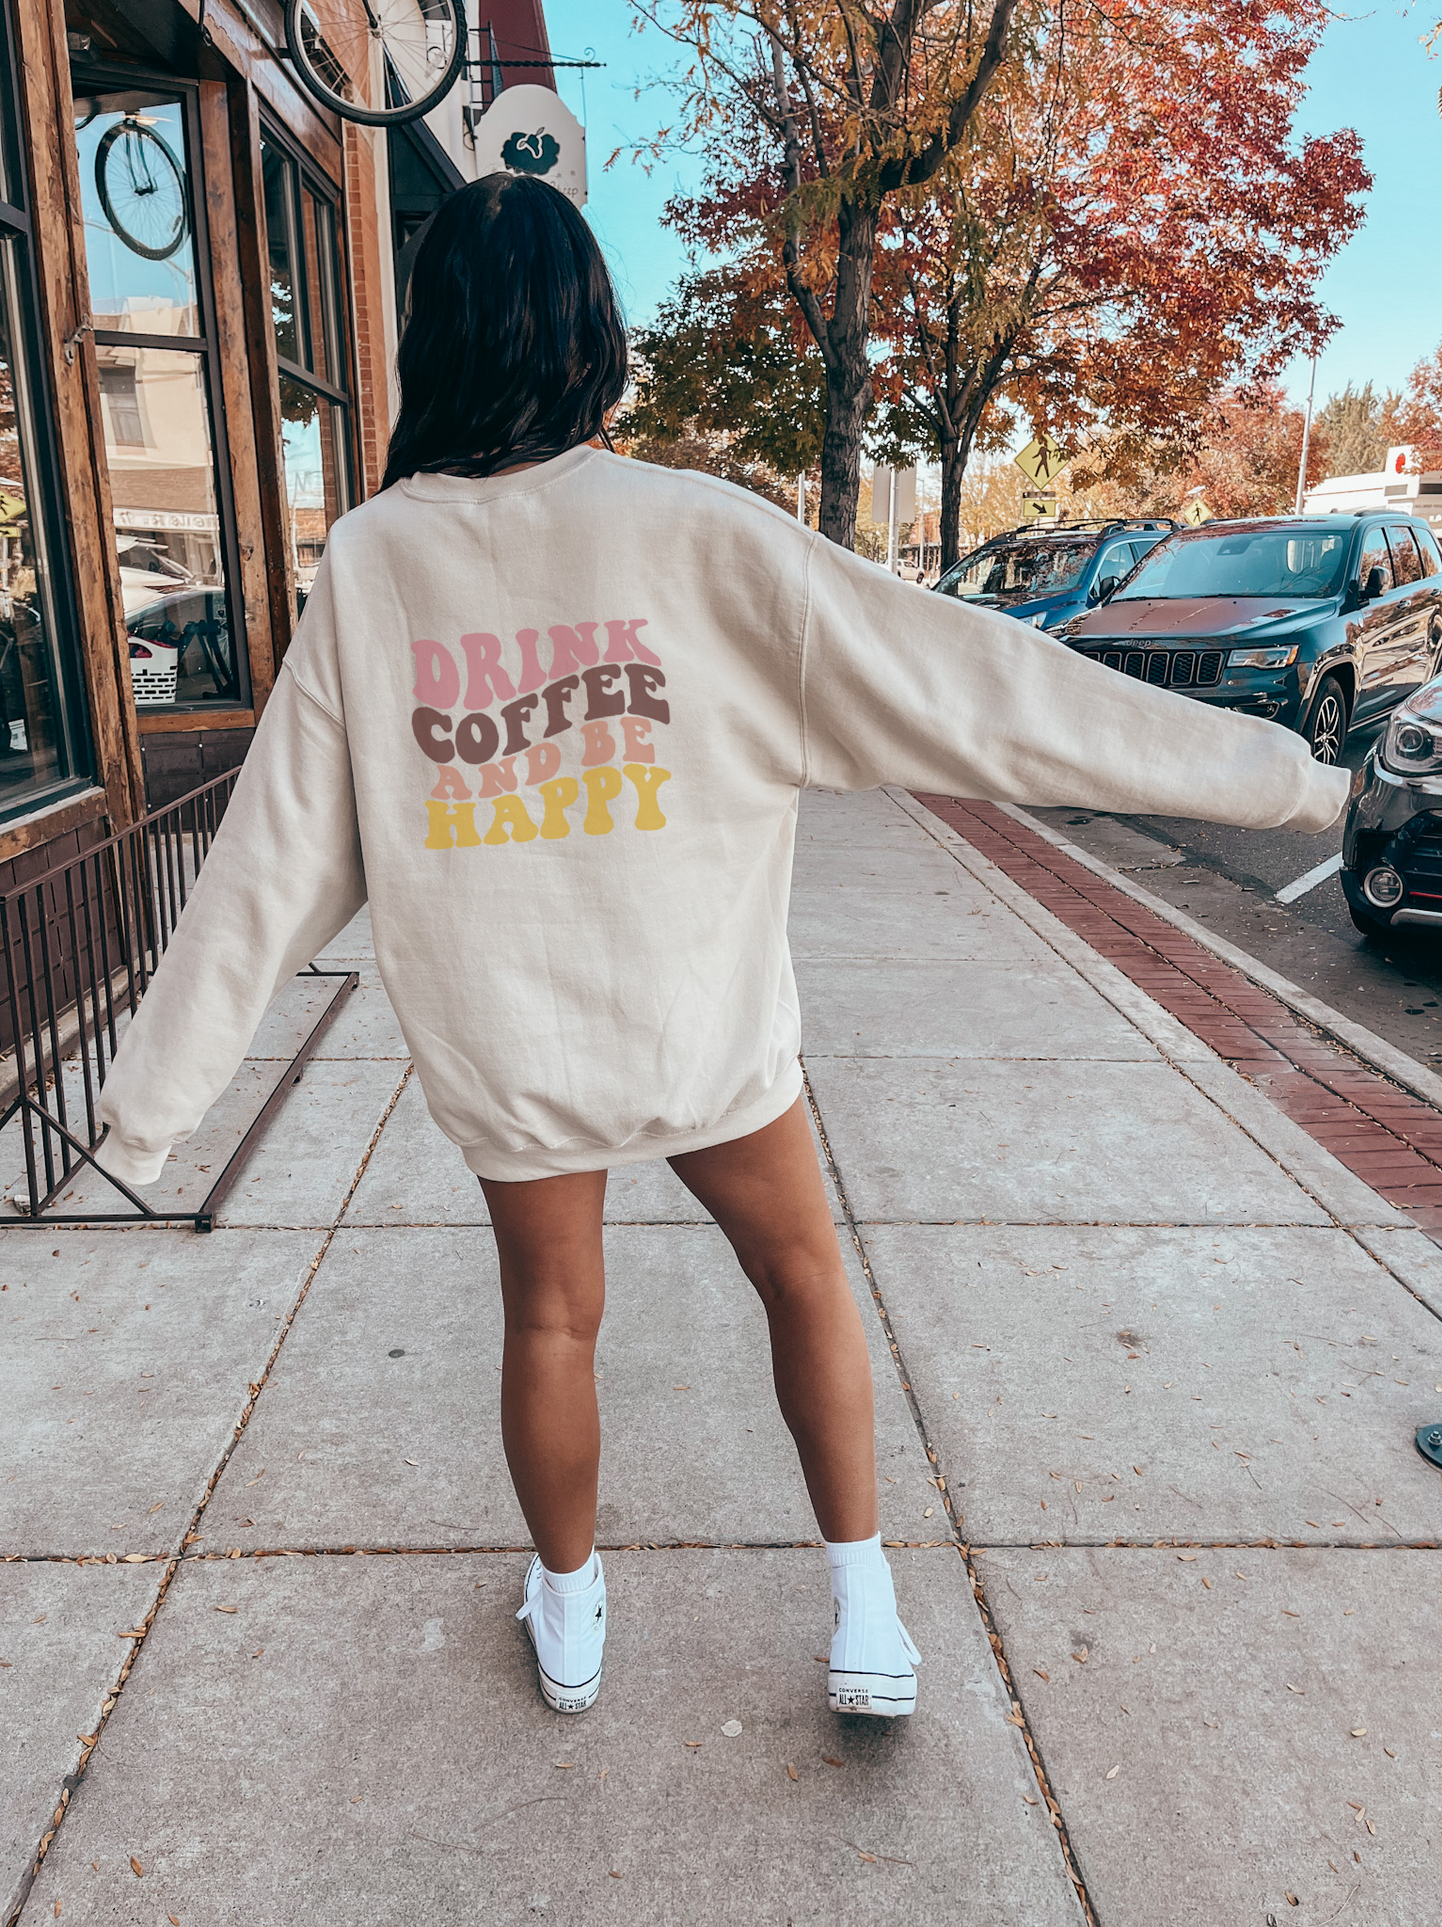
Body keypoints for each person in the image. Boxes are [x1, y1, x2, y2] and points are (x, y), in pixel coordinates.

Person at [95, 174, 1348, 1721]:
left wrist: (150, 1104)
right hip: (704, 1024)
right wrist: (1290, 781)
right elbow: (978, 688)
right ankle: (865, 1608)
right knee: (804, 1273)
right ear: (592, 336)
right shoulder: (696, 528)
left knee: (551, 1316)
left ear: (432, 343)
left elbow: (273, 855)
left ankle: (570, 1610)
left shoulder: (369, 561)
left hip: (513, 1043)